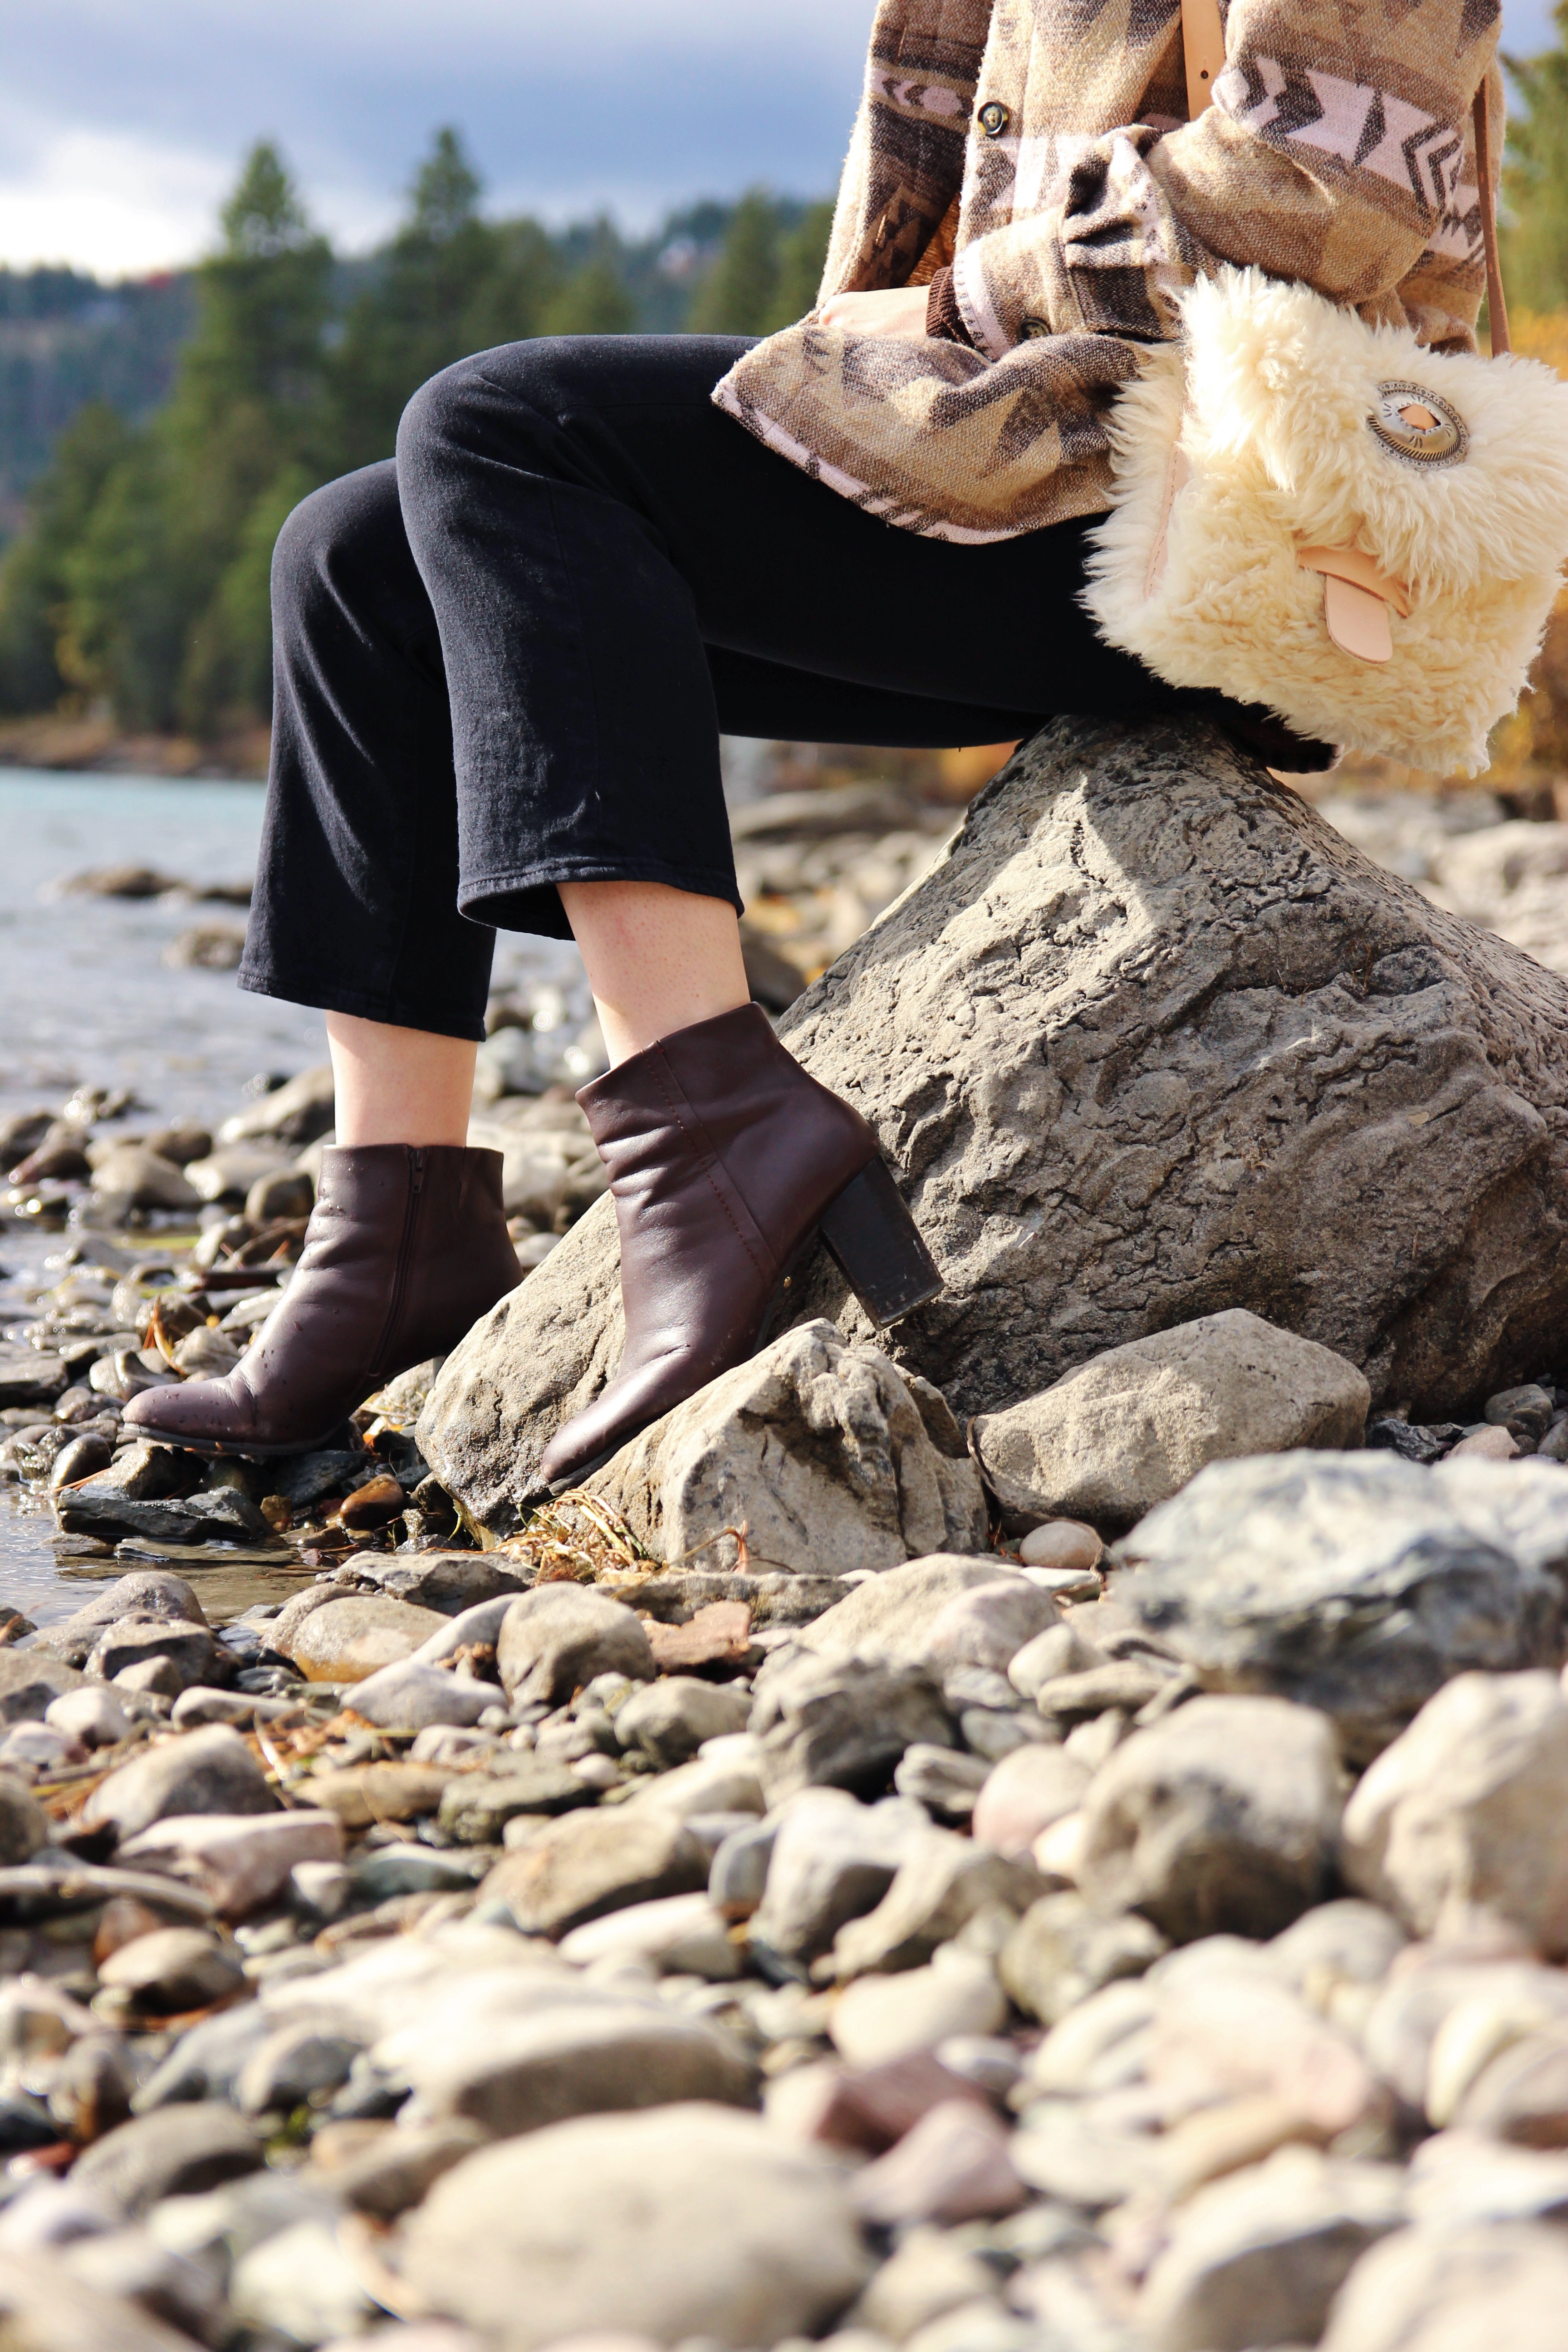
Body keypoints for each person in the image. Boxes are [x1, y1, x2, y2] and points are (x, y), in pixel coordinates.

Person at [126, 0, 1500, 1486]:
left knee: (504, 430)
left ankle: (705, 1124)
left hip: (1243, 522)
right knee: (354, 556)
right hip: (1034, 455)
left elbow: (1324, 193)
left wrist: (942, 316)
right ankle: (398, 1234)